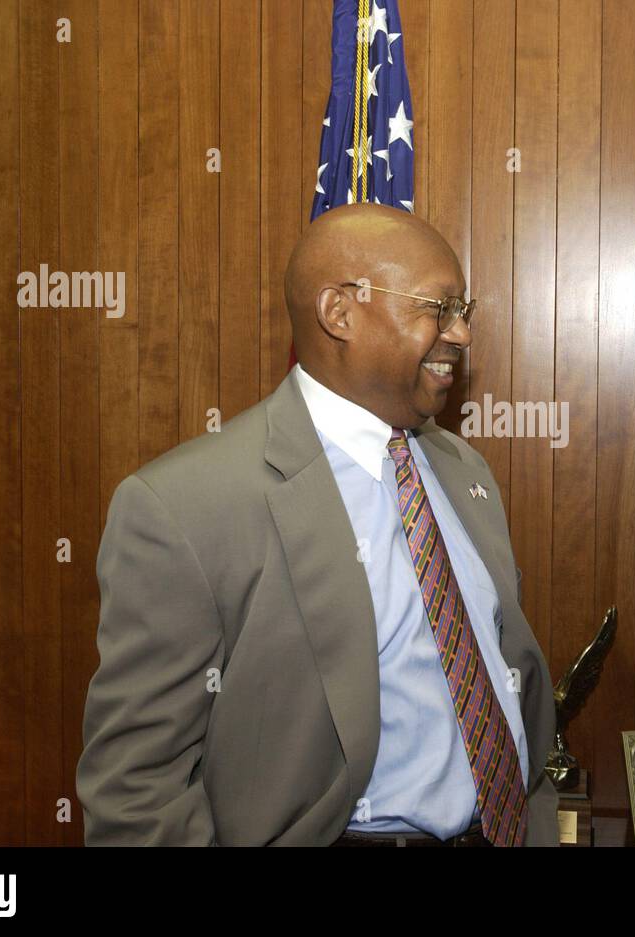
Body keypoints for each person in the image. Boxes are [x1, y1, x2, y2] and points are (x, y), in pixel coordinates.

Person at [77, 203, 558, 846]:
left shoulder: (462, 467)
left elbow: (504, 678)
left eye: (462, 312)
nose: (461, 335)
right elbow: (136, 790)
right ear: (340, 312)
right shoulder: (182, 507)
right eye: (437, 308)